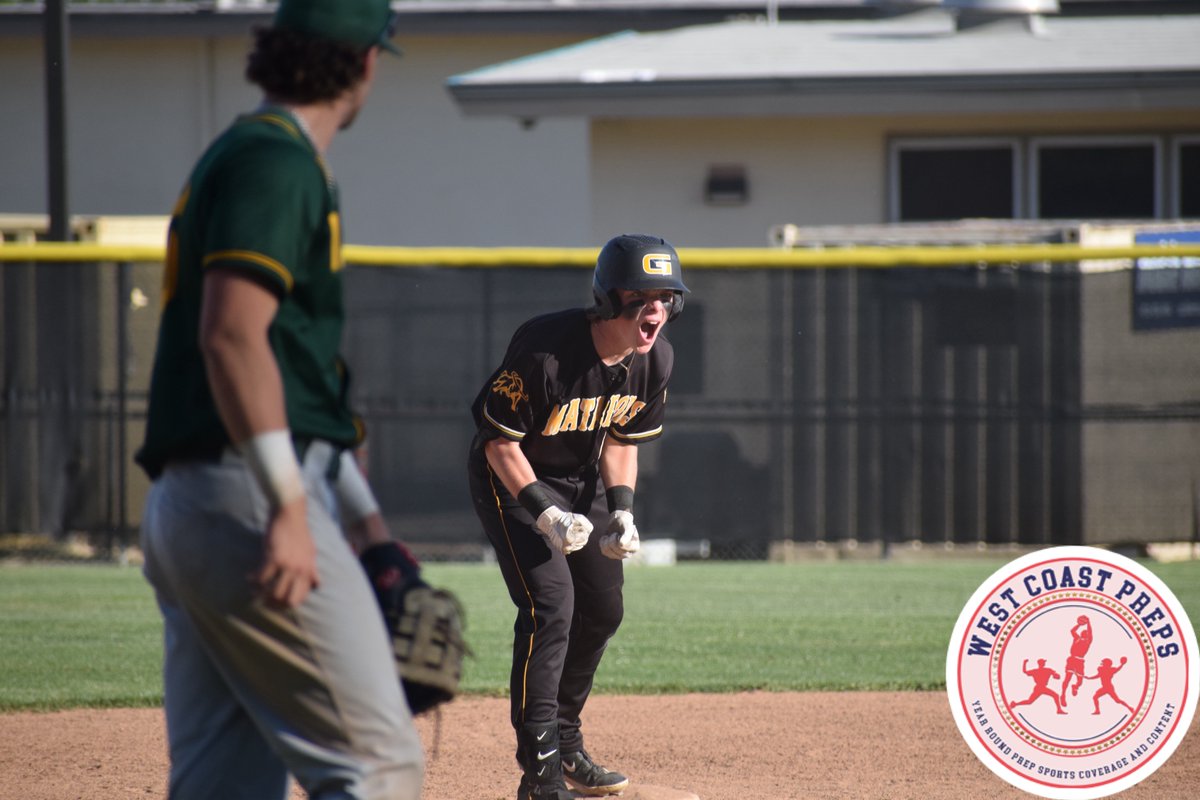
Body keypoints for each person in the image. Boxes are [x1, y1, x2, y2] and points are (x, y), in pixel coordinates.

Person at [135, 2, 424, 798]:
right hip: (249, 497)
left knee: (224, 780)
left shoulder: (254, 154)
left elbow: (294, 375)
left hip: (208, 497)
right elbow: (232, 335)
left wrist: (367, 530)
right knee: (378, 765)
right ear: (366, 63)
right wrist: (289, 506)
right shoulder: (277, 161)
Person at [467, 234, 689, 799]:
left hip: (582, 482)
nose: (656, 309)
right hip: (515, 480)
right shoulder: (547, 353)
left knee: (604, 608)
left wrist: (622, 514)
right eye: (641, 295)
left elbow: (621, 439)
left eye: (666, 296)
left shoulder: (654, 359)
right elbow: (497, 444)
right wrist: (545, 515)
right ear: (608, 299)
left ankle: (567, 744)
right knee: (552, 607)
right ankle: (540, 772)